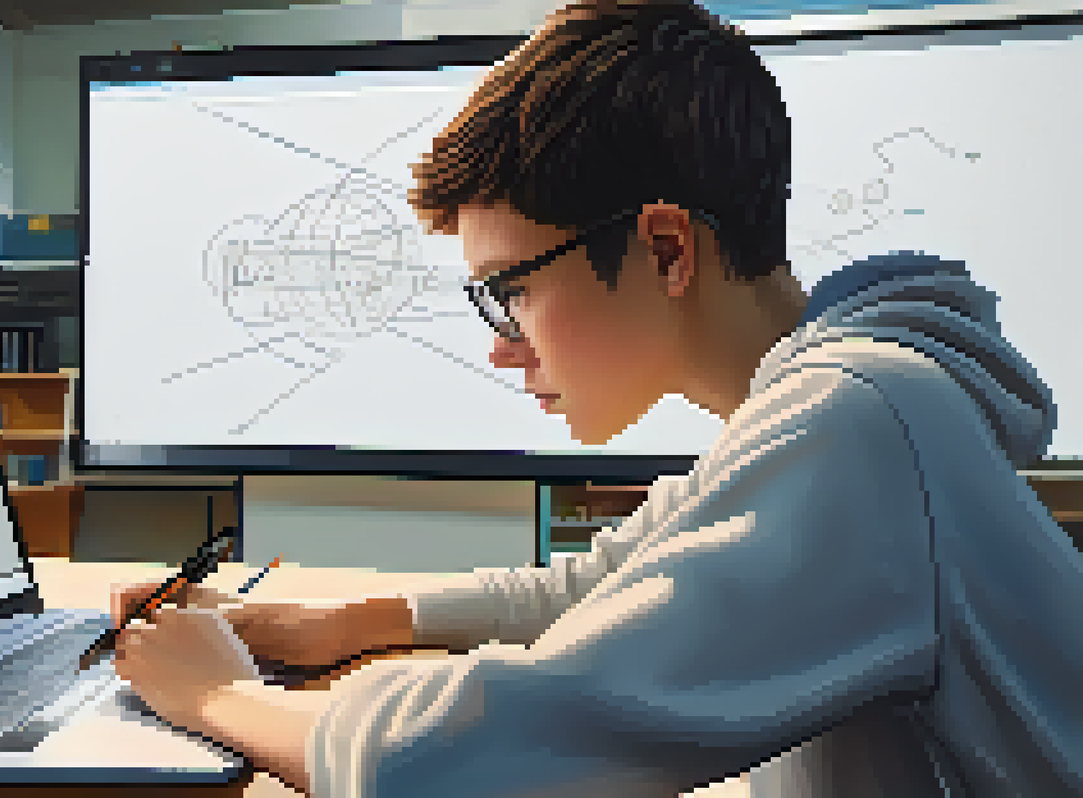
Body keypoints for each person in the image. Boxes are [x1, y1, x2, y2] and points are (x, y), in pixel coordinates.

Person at [111, 1, 1083, 796]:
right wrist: (347, 622)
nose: (500, 348)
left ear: (665, 249)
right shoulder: (829, 397)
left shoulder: (857, 418)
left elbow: (456, 766)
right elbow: (605, 585)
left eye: (513, 290)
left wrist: (218, 698)